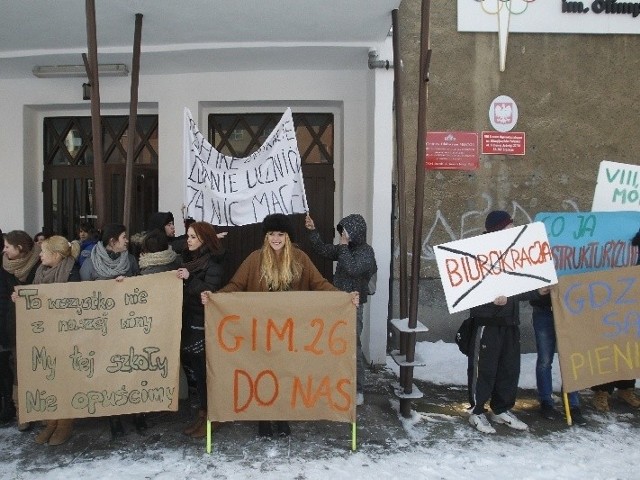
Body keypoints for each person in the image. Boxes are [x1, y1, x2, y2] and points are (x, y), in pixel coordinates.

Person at [203, 213, 359, 438]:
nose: (276, 238)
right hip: (262, 332)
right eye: (271, 234)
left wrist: (345, 298)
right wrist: (214, 298)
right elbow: (236, 284)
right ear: (265, 237)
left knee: (286, 372)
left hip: (290, 332)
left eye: (280, 234)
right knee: (264, 373)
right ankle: (264, 418)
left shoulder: (300, 258)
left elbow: (320, 284)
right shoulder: (255, 259)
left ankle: (283, 416)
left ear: (287, 237)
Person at [467, 210, 545, 434]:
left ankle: (501, 409)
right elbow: (469, 290)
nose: (512, 229)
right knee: (484, 369)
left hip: (510, 322)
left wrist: (538, 292)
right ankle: (477, 411)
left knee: (509, 368)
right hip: (487, 322)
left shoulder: (513, 252)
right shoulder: (478, 253)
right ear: (496, 229)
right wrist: (493, 300)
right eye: (508, 226)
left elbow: (518, 287)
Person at [305, 213, 377, 406]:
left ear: (356, 233)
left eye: (345, 232)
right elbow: (323, 250)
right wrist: (313, 231)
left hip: (353, 307)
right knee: (335, 345)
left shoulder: (366, 252)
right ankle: (337, 385)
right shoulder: (344, 249)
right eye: (342, 232)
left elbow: (353, 268)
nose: (342, 236)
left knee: (353, 347)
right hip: (337, 305)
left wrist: (343, 247)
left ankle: (357, 389)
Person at [79, 223, 140, 437]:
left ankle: (133, 412)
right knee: (109, 371)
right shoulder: (90, 264)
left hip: (127, 325)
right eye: (124, 237)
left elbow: (141, 289)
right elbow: (83, 296)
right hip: (102, 329)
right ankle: (113, 417)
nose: (127, 240)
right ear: (112, 241)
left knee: (129, 369)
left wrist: (127, 286)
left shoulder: (130, 261)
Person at [23, 236, 81, 445]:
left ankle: (65, 422)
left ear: (55, 256)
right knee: (49, 379)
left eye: (43, 252)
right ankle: (51, 421)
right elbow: (32, 295)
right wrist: (20, 299)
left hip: (66, 337)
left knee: (65, 380)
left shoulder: (73, 274)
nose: (39, 255)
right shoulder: (39, 272)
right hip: (44, 335)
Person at [177, 221, 225, 439]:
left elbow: (210, 293)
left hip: (203, 323)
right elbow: (175, 244)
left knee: (206, 374)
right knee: (197, 372)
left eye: (193, 237)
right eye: (188, 236)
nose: (188, 240)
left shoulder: (213, 263)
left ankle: (212, 417)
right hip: (191, 322)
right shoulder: (190, 260)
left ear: (204, 239)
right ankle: (203, 414)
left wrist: (190, 280)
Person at [589, 227, 640, 412]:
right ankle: (602, 391)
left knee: (631, 344)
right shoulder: (629, 225)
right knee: (612, 341)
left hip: (633, 294)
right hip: (617, 288)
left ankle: (626, 388)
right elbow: (634, 242)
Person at [1, 230, 42, 430]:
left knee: (40, 366)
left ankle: (42, 408)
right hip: (14, 326)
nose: (4, 250)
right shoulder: (4, 268)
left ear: (19, 248)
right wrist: (13, 302)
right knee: (19, 369)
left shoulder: (40, 263)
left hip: (39, 327)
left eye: (8, 246)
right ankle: (22, 412)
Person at [530, 293, 587, 425]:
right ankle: (546, 401)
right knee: (545, 360)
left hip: (570, 309)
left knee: (571, 358)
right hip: (544, 310)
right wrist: (539, 293)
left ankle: (573, 403)